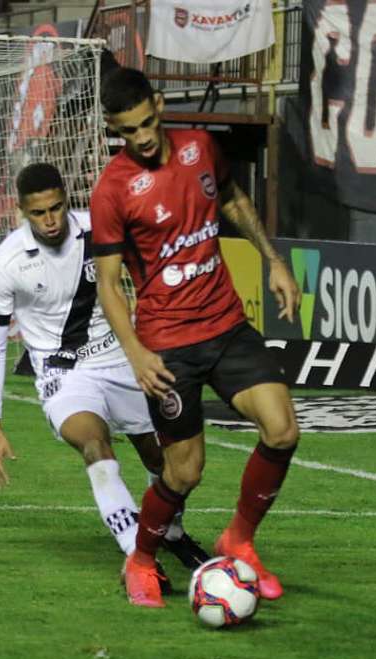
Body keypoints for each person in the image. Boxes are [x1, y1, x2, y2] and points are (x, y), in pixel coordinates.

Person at [91, 67, 302, 608]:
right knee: (184, 470)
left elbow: (231, 199)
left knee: (282, 430)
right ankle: (139, 560)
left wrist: (272, 260)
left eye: (144, 123)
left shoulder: (200, 146)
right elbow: (110, 286)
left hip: (226, 324)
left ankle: (240, 540)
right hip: (167, 346)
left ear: (158, 104)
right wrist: (136, 352)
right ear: (113, 129)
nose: (139, 138)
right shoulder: (113, 190)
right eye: (125, 131)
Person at [0, 162, 210, 581]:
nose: (50, 221)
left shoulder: (101, 231)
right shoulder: (6, 263)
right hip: (64, 375)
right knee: (95, 446)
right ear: (22, 212)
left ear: (67, 200)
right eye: (38, 213)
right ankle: (138, 558)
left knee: (168, 460)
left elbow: (149, 278)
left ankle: (172, 532)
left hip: (122, 360)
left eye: (56, 208)